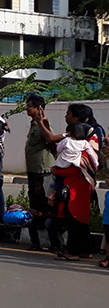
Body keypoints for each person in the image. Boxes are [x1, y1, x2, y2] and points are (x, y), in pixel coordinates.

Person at [33, 103, 100, 261]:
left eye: (68, 113)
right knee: (81, 222)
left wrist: (56, 170)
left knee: (73, 222)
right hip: (80, 191)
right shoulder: (84, 150)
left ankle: (73, 252)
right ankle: (85, 250)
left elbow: (73, 169)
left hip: (74, 191)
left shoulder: (80, 153)